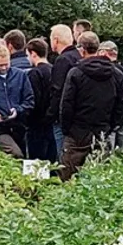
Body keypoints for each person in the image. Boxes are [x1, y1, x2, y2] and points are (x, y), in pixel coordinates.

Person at [59, 32, 123, 181]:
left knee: (67, 176)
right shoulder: (116, 74)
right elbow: (120, 105)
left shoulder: (76, 73)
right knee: (98, 178)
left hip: (77, 132)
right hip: (102, 131)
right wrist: (110, 128)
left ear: (82, 49)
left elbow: (67, 104)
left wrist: (67, 130)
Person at [47, 24, 82, 156]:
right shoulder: (78, 56)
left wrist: (51, 114)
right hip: (77, 114)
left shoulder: (62, 60)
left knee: (62, 154)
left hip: (62, 117)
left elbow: (58, 90)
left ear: (56, 40)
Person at [25, 38, 56, 162]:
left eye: (27, 55)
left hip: (36, 124)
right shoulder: (54, 70)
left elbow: (33, 100)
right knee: (51, 160)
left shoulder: (34, 73)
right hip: (51, 122)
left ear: (33, 53)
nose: (27, 58)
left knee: (36, 161)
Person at [99, 41, 123, 149]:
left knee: (109, 148)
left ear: (103, 52)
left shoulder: (107, 71)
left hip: (110, 117)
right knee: (122, 148)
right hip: (122, 116)